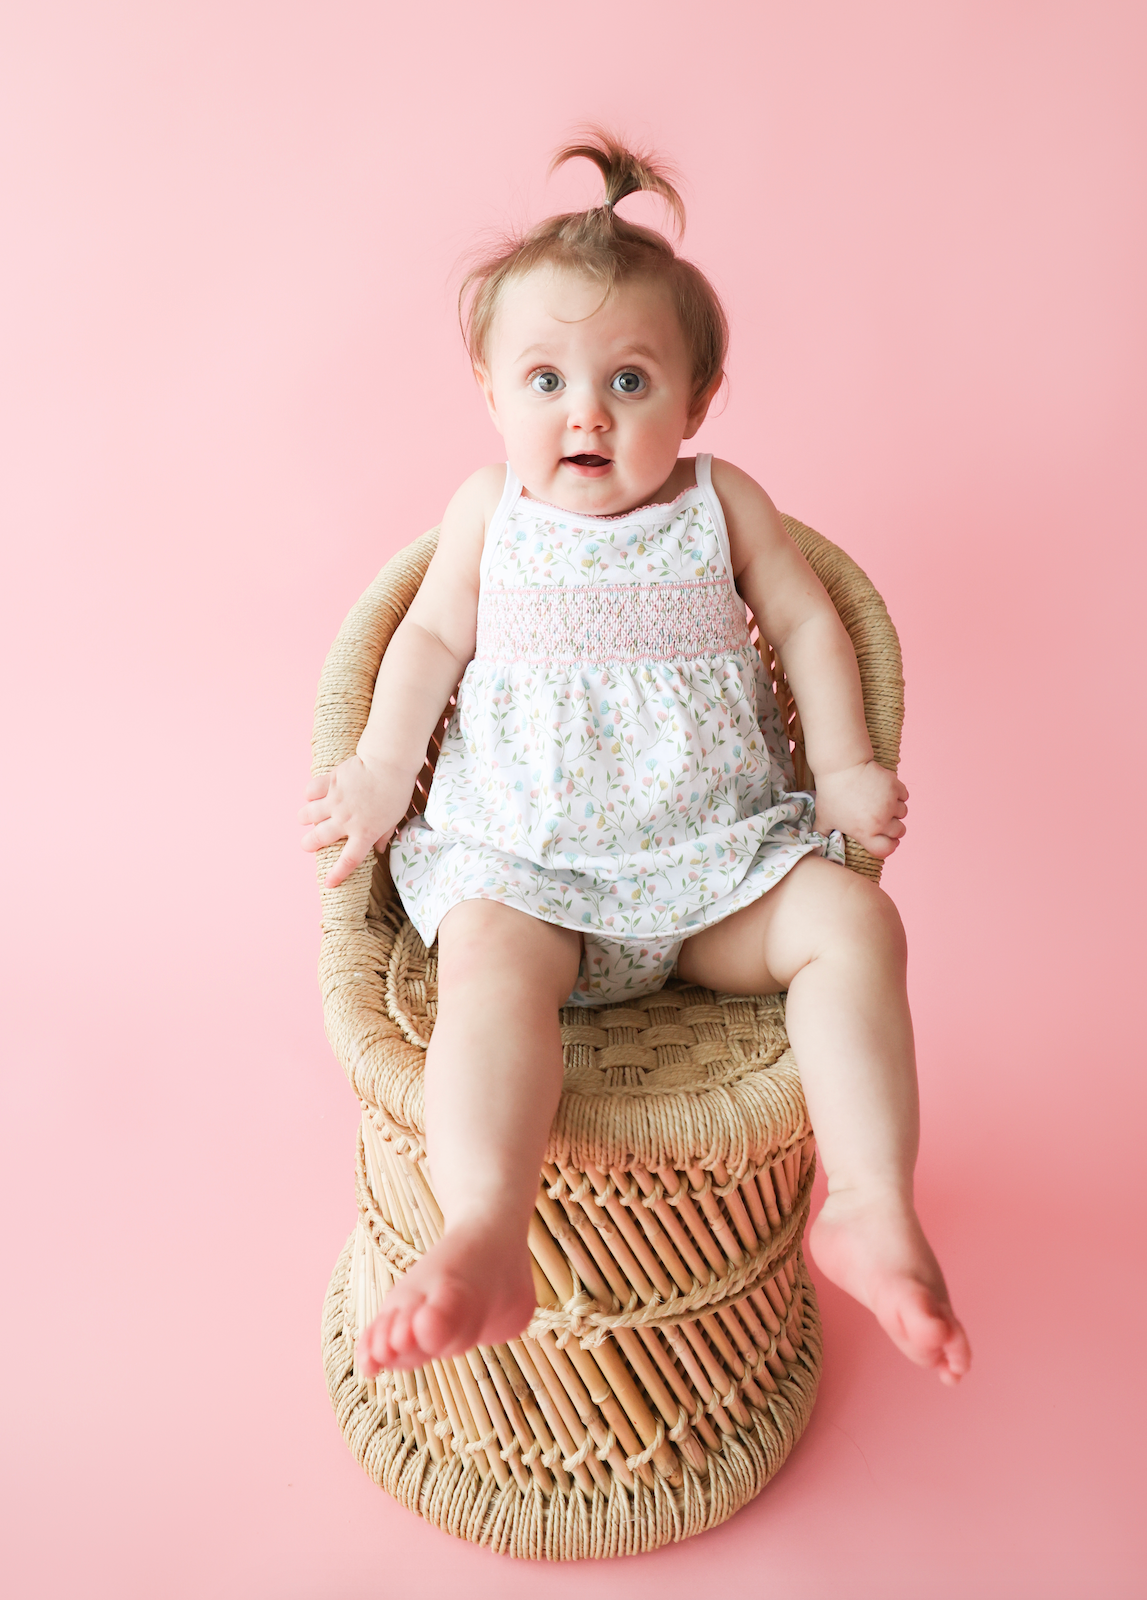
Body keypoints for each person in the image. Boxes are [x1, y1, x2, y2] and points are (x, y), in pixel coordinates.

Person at [300, 133, 970, 1389]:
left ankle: (870, 1201)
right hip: (530, 873)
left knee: (853, 924)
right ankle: (484, 1227)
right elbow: (428, 639)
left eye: (627, 380)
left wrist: (839, 767)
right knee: (487, 972)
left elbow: (805, 624)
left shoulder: (722, 503)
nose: (585, 412)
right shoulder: (486, 512)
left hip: (717, 876)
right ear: (491, 394)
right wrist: (383, 770)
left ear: (695, 402)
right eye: (544, 378)